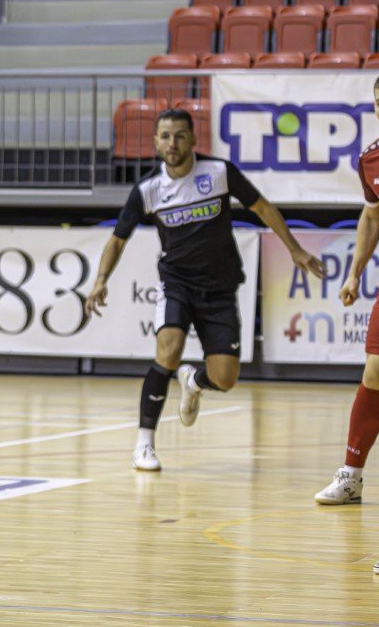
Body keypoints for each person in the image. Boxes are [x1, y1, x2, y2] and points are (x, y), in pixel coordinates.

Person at [84, 108, 323, 472]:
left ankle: (193, 380)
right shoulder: (147, 190)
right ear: (155, 142)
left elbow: (263, 207)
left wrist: (293, 247)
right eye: (164, 136)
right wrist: (101, 279)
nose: (172, 143)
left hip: (220, 287)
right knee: (169, 349)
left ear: (194, 140)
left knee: (225, 378)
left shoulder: (219, 172)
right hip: (177, 284)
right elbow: (118, 240)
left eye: (180, 135)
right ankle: (144, 444)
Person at [320, 71, 379, 507]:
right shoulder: (371, 160)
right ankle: (351, 476)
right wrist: (354, 274)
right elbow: (371, 216)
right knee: (376, 372)